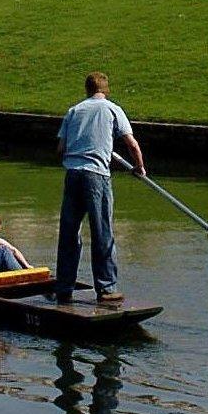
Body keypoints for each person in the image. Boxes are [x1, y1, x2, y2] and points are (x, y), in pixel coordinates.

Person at [55, 71, 146, 304]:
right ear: (106, 90)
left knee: (69, 233)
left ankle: (64, 288)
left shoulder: (74, 111)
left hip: (73, 174)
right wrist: (139, 167)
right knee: (102, 232)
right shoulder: (112, 109)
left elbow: (60, 149)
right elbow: (131, 144)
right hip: (96, 176)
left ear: (87, 89)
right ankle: (106, 289)